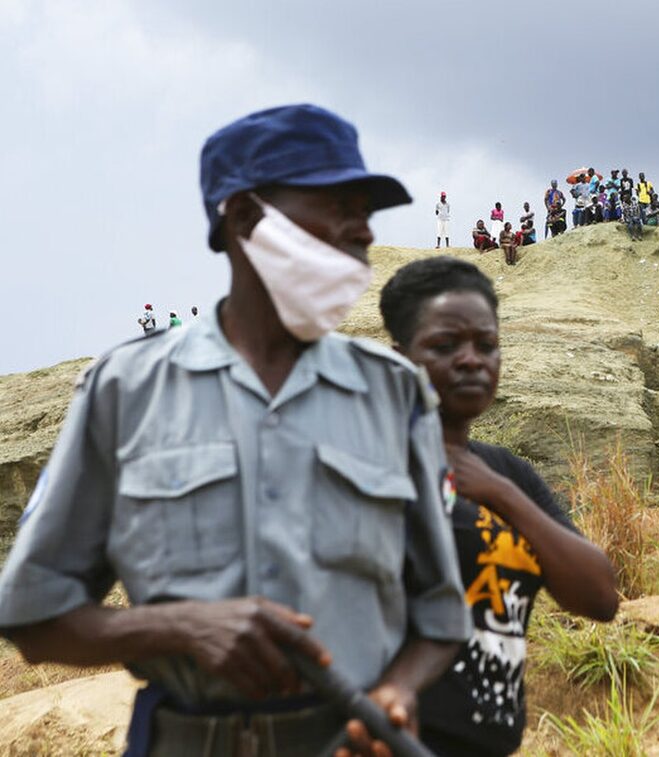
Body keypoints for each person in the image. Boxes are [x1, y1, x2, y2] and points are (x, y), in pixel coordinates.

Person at [0, 103, 471, 757]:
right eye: (341, 204)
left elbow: (442, 616)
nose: (364, 231)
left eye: (367, 209)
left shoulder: (395, 394)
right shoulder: (124, 390)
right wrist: (178, 627)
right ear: (247, 217)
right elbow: (34, 614)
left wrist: (398, 691)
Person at [380, 257, 619, 756]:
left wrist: (500, 494)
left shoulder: (508, 475)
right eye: (445, 346)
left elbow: (599, 598)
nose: (472, 360)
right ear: (400, 358)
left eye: (486, 345)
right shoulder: (373, 467)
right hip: (392, 737)